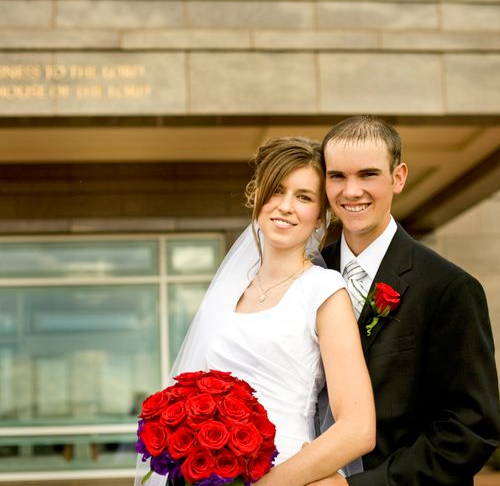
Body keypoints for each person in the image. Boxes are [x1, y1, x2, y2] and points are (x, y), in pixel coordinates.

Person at [136, 137, 375, 485]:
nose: (286, 206)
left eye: (304, 197)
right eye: (276, 191)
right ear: (256, 197)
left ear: (321, 217)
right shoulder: (228, 291)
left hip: (291, 475)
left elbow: (358, 428)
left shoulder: (324, 290)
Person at [315, 115, 500, 486]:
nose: (351, 191)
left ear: (398, 177)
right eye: (337, 176)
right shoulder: (309, 277)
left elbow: (469, 428)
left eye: (367, 174)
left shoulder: (449, 287)